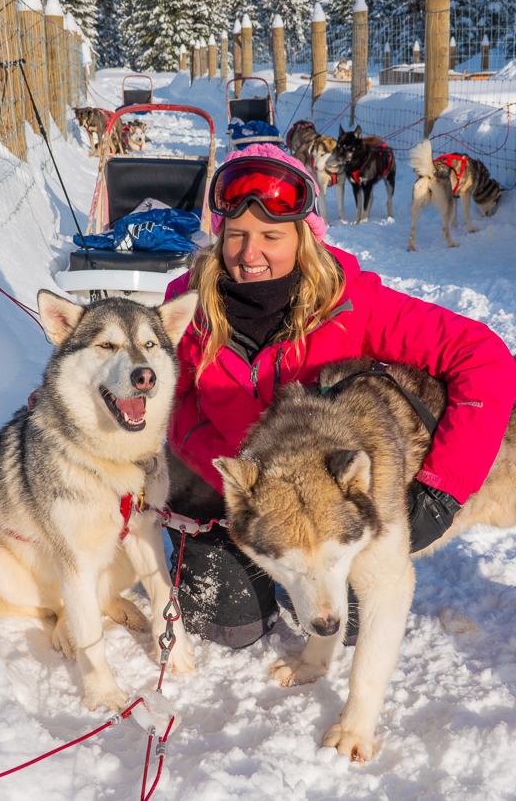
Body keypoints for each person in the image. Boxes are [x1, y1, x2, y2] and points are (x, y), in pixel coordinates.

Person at [164, 142, 516, 650]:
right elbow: (165, 398)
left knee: (345, 621)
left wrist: (443, 490)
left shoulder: (349, 301)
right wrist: (241, 484)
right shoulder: (188, 310)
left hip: (323, 497)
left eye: (271, 235)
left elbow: (482, 357)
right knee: (230, 627)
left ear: (304, 236)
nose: (249, 253)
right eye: (236, 235)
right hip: (226, 485)